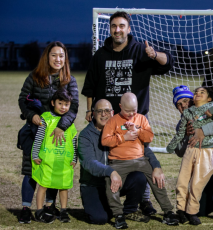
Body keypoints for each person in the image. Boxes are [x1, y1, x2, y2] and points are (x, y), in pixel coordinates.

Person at [81, 11, 174, 214]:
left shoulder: (140, 50)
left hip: (135, 118)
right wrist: (90, 109)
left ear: (129, 29)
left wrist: (154, 55)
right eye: (114, 26)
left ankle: (145, 200)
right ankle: (110, 191)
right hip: (107, 118)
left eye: (122, 26)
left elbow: (168, 63)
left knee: (141, 156)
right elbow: (90, 85)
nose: (117, 30)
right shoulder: (101, 55)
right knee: (111, 153)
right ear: (110, 28)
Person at [17, 41, 79, 224]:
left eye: (61, 55)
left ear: (65, 58)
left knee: (54, 168)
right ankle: (26, 208)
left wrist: (62, 126)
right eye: (54, 55)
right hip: (36, 130)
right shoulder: (35, 76)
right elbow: (23, 99)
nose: (58, 59)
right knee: (31, 169)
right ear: (47, 56)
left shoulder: (69, 80)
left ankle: (50, 206)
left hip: (58, 133)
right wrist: (31, 116)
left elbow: (74, 107)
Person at [78, 99, 162, 225]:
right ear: (93, 114)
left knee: (139, 176)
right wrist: (110, 171)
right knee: (100, 219)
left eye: (107, 111)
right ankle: (107, 207)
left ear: (113, 113)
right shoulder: (85, 135)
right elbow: (88, 163)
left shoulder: (123, 128)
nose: (103, 114)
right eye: (99, 111)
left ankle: (130, 210)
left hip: (116, 181)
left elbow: (144, 150)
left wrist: (157, 166)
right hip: (94, 184)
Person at [101, 93, 178, 229]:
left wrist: (137, 130)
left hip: (140, 160)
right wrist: (123, 137)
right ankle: (118, 215)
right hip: (118, 162)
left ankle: (168, 211)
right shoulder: (113, 121)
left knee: (157, 179)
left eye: (134, 110)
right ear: (120, 107)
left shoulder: (141, 119)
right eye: (127, 110)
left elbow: (149, 137)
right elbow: (105, 140)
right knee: (111, 182)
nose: (131, 114)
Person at [166, 87, 213, 225]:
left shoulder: (210, 110)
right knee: (201, 208)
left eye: (186, 101)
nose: (183, 106)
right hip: (194, 158)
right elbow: (180, 152)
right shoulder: (183, 122)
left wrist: (203, 131)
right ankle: (183, 209)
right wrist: (187, 135)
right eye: (179, 104)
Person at [31, 88, 77, 223]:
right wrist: (35, 155)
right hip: (47, 160)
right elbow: (39, 138)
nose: (63, 107)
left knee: (63, 186)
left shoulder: (69, 121)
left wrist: (74, 158)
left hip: (64, 161)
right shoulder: (46, 118)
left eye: (66, 104)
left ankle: (63, 211)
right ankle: (39, 210)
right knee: (43, 185)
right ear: (53, 103)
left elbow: (74, 140)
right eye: (60, 103)